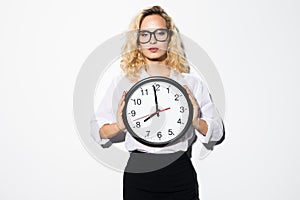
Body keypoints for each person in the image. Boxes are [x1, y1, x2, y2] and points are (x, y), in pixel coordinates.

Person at [90, 5, 224, 200]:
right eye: (145, 34)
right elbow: (97, 129)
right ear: (137, 40)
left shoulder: (190, 82)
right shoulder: (125, 82)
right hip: (139, 173)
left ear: (169, 39)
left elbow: (217, 132)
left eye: (160, 33)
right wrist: (119, 125)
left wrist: (196, 121)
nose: (152, 40)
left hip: (179, 172)